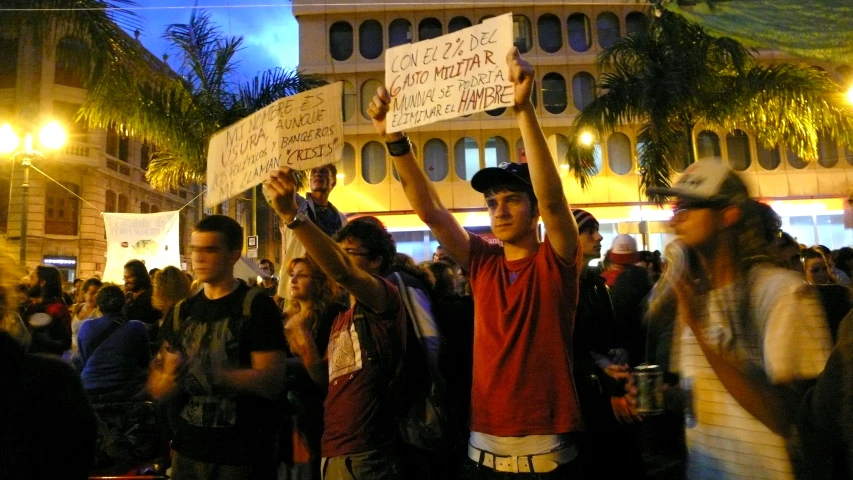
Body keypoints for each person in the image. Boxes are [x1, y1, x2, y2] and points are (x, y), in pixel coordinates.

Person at [367, 47, 583, 477]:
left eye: (512, 200)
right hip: (479, 452)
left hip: (548, 455)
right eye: (491, 203)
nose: (499, 211)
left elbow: (556, 201)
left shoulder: (557, 261)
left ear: (534, 210)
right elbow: (430, 211)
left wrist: (523, 110)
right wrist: (392, 139)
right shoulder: (483, 262)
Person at [649, 160, 832, 479]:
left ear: (728, 215)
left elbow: (784, 417)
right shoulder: (696, 298)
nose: (676, 218)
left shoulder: (782, 293)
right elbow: (708, 395)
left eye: (690, 206)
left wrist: (698, 327)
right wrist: (663, 397)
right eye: (676, 207)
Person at [265, 167, 407, 480]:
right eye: (338, 252)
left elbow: (343, 271)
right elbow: (323, 380)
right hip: (333, 450)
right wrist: (305, 349)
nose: (337, 261)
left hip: (368, 455)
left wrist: (292, 215)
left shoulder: (383, 300)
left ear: (376, 261)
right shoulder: (341, 316)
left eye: (349, 253)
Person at [147, 215, 287, 480]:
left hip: (242, 456)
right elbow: (158, 382)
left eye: (210, 249)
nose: (199, 257)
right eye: (195, 249)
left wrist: (213, 373)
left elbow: (272, 379)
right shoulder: (180, 312)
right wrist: (168, 377)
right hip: (189, 452)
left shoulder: (255, 307)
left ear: (234, 255)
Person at [571, 209, 645, 477]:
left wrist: (620, 351)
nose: (599, 237)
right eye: (589, 231)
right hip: (587, 400)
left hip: (609, 387)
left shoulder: (594, 283)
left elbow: (607, 335)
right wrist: (605, 378)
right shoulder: (560, 286)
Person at [280, 255, 346, 479]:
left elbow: (324, 379)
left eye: (302, 275)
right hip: (289, 419)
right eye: (292, 275)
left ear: (320, 282)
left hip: (319, 416)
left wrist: (304, 339)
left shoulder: (334, 315)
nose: (294, 280)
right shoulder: (286, 316)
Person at [277, 164, 348, 304]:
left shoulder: (341, 218)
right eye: (314, 171)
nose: (317, 174)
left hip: (330, 290)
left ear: (333, 181)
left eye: (323, 172)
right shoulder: (296, 205)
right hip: (301, 289)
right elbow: (273, 192)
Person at [78, 284, 151, 401]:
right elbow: (144, 361)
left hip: (90, 389)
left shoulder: (86, 326)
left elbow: (84, 359)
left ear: (99, 305)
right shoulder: (137, 327)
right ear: (124, 303)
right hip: (126, 390)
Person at [23, 264, 72, 356]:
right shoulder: (32, 307)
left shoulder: (58, 309)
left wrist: (45, 340)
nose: (29, 282)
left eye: (32, 278)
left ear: (42, 282)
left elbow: (66, 343)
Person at [123, 259, 161, 333]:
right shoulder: (128, 296)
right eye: (125, 278)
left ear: (140, 276)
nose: (126, 281)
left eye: (130, 277)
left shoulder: (152, 296)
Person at [70, 277, 103, 354]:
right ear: (84, 293)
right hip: (72, 352)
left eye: (98, 293)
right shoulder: (75, 308)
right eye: (92, 293)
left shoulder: (100, 312)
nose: (95, 296)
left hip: (89, 354)